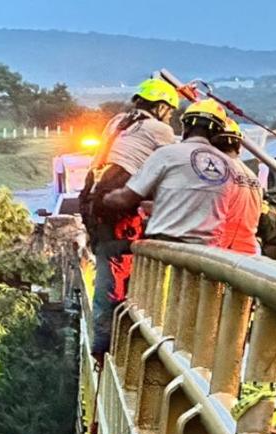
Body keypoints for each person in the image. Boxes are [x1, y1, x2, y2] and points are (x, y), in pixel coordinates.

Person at [80, 77, 180, 360]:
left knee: (106, 265)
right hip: (115, 200)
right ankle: (109, 345)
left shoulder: (119, 121)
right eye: (170, 110)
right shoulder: (158, 128)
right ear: (160, 107)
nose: (170, 116)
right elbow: (174, 162)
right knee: (117, 272)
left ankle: (103, 343)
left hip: (93, 196)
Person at [101, 99, 233, 244]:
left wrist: (103, 198)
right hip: (210, 253)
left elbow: (125, 198)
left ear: (186, 127)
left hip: (167, 248)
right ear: (218, 133)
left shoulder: (166, 154)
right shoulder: (229, 166)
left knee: (110, 251)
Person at [210, 119, 262, 255]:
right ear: (239, 145)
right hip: (247, 251)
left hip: (220, 250)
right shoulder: (252, 176)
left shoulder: (216, 171)